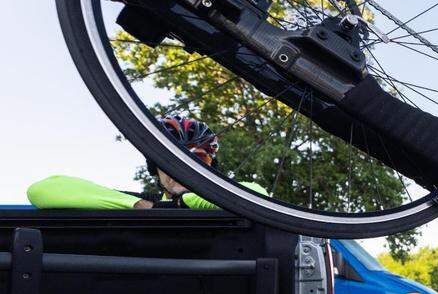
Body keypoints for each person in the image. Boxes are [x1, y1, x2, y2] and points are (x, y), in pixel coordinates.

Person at [27, 114, 265, 210]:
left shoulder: (231, 196)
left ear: (211, 165)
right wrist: (137, 205)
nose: (183, 169)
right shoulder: (141, 202)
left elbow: (256, 192)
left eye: (198, 158)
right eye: (171, 161)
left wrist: (182, 203)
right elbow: (41, 190)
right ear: (155, 168)